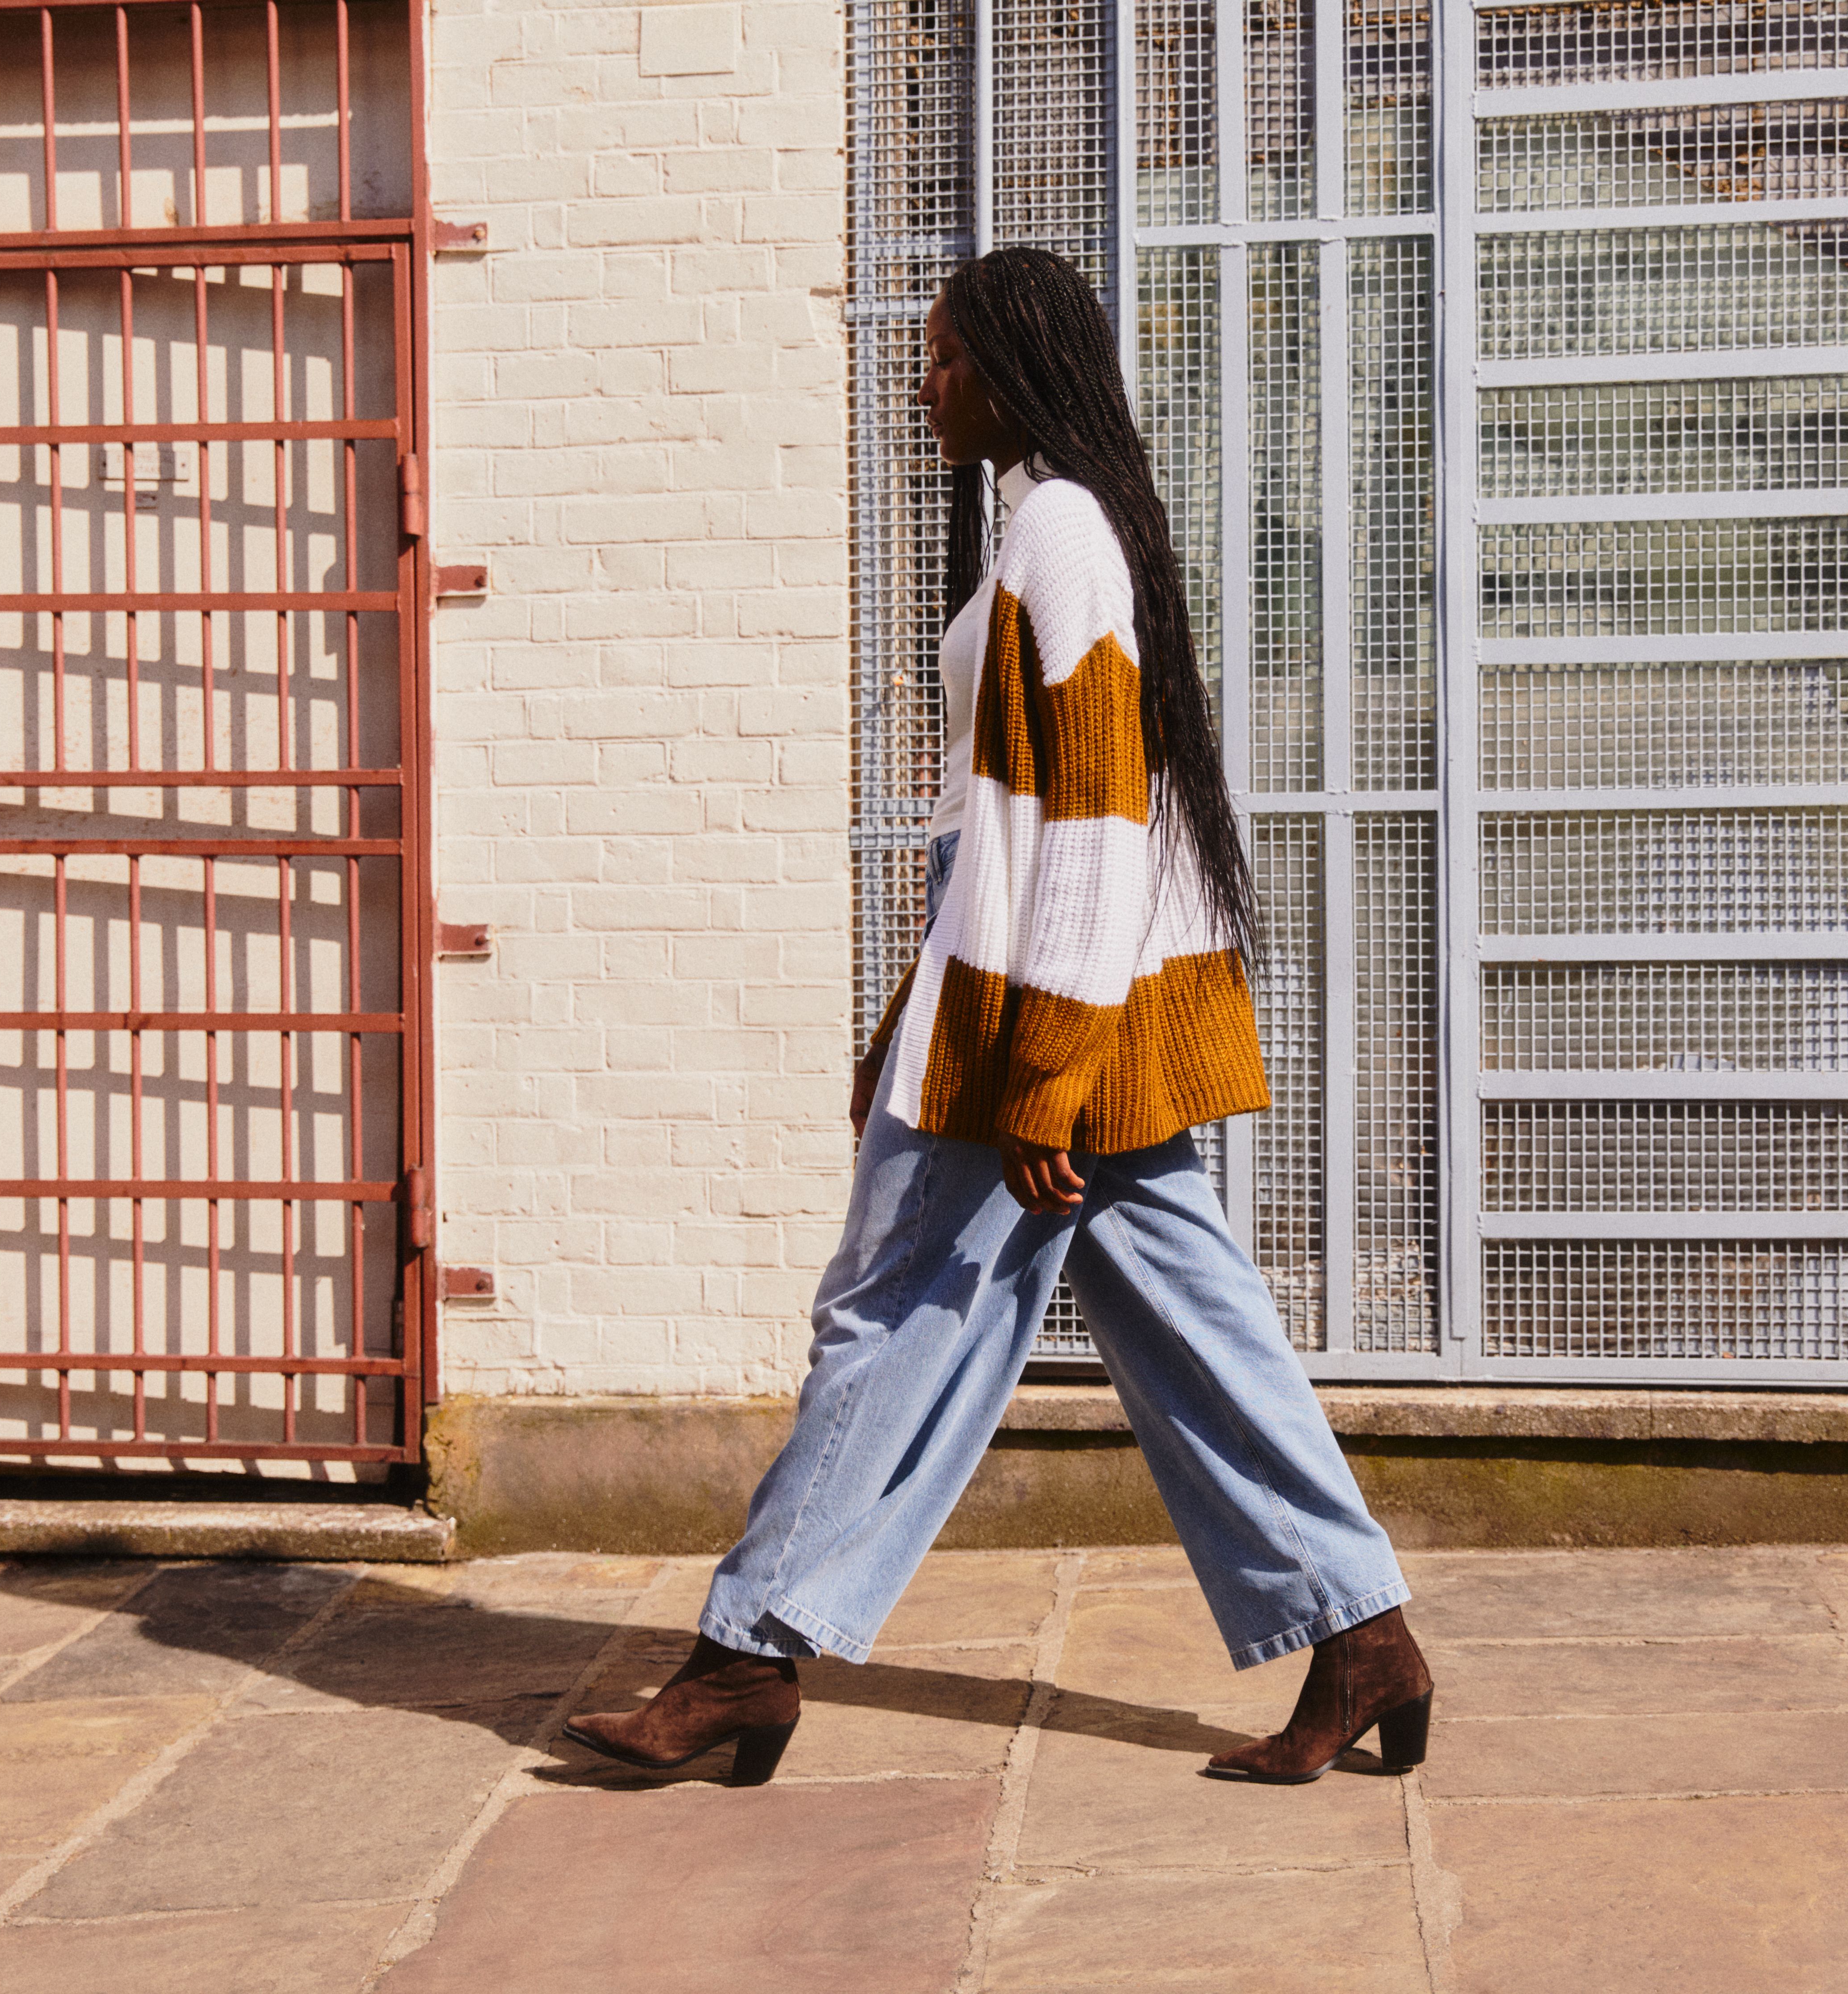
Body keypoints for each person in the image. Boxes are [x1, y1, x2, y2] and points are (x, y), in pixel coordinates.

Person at [562, 245, 1431, 1790]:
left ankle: (745, 1658)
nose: (925, 381)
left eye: (947, 356)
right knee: (1196, 1326)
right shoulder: (1051, 523)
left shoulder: (1063, 536)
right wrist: (910, 1014)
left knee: (884, 1317)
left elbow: (1094, 826)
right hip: (1045, 999)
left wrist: (1039, 1080)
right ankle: (1360, 1635)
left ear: (1013, 364)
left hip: (1049, 1023)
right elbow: (1009, 833)